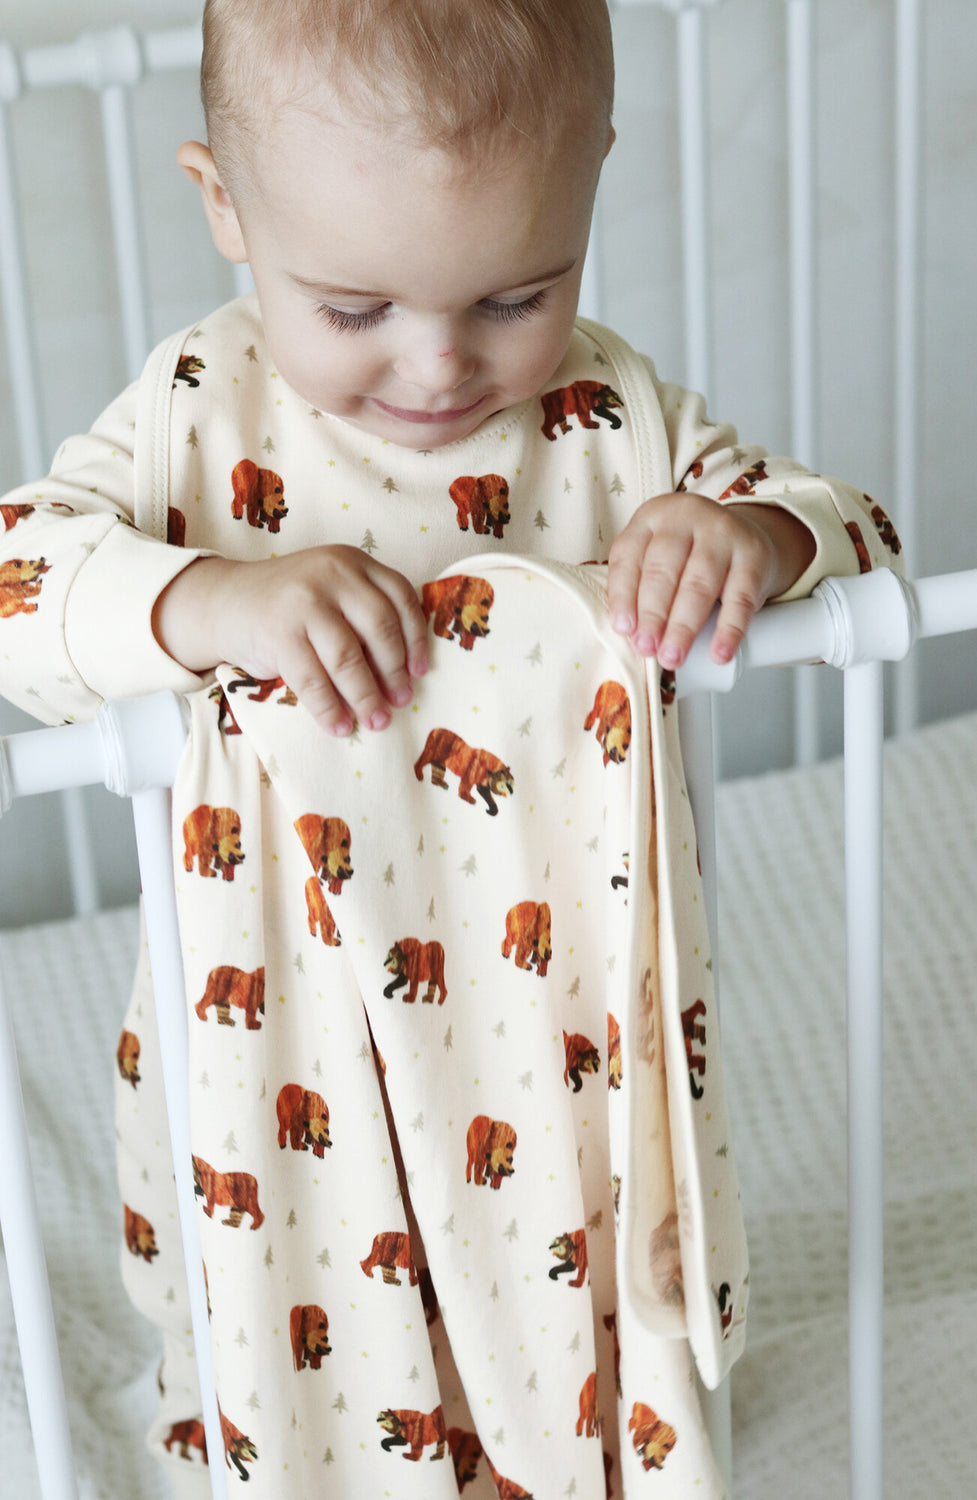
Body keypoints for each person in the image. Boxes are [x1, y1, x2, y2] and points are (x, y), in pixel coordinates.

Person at [0, 3, 902, 1496]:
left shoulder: (609, 421)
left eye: (514, 295)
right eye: (353, 310)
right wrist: (204, 600)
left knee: (577, 1285)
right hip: (277, 1031)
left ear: (593, 181)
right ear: (224, 205)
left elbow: (866, 547)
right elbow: (16, 579)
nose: (435, 365)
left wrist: (743, 533)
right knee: (289, 1309)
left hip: (558, 1031)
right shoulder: (192, 420)